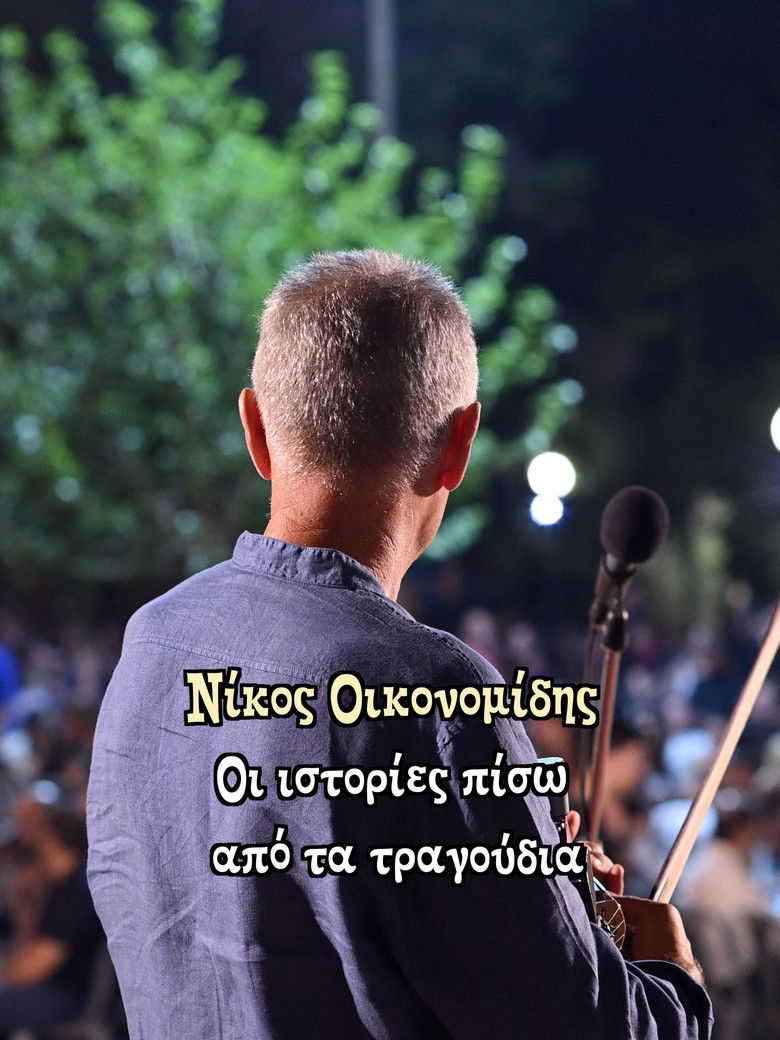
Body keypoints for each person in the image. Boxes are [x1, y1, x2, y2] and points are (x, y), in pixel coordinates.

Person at [87, 250, 712, 1039]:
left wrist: (534, 898)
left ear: (256, 430)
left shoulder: (155, 640)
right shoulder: (432, 694)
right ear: (459, 445)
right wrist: (669, 973)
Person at [0, 796, 104, 1037]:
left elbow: (33, 968)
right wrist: (25, 904)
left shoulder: (75, 893)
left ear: (51, 840)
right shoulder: (66, 886)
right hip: (57, 991)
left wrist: (5, 975)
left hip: (68, 997)